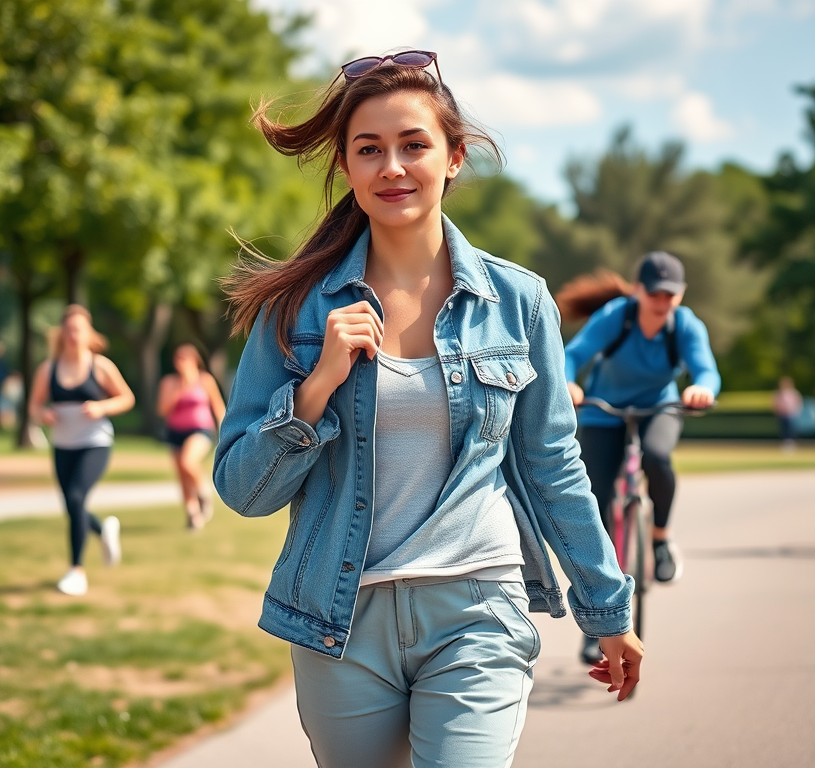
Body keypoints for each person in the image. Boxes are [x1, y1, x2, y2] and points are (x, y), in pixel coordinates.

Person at [214, 52, 642, 768]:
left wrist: (607, 608)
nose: (393, 167)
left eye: (414, 145)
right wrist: (316, 388)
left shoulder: (519, 303)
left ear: (453, 158)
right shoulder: (296, 312)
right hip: (340, 622)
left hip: (477, 608)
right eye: (369, 150)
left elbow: (552, 467)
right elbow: (242, 490)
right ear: (346, 169)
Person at [561, 255, 719, 662]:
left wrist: (701, 387)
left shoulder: (684, 326)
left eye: (671, 294)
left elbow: (706, 370)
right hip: (603, 410)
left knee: (659, 458)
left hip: (658, 409)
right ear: (638, 290)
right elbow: (573, 355)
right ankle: (597, 616)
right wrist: (568, 382)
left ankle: (661, 541)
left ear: (681, 294)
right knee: (593, 501)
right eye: (655, 293)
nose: (662, 301)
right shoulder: (617, 316)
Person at [28, 305, 135, 596]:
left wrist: (102, 406)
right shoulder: (48, 368)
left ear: (88, 333)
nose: (74, 335)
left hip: (95, 442)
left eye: (79, 329)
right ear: (61, 334)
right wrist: (43, 414)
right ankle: (104, 531)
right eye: (69, 330)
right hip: (63, 445)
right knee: (72, 506)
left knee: (76, 497)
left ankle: (76, 571)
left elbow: (126, 398)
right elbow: (34, 405)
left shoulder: (100, 366)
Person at [158, 343, 227, 529]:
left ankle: (203, 492)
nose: (181, 363)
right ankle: (193, 514)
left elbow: (218, 406)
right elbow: (163, 409)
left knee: (187, 462)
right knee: (181, 474)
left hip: (200, 430)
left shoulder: (205, 380)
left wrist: (226, 430)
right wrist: (180, 389)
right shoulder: (170, 382)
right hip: (175, 431)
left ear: (194, 361)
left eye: (184, 359)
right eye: (178, 359)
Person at [772, 375, 803, 450]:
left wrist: (796, 411)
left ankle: (791, 443)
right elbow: (775, 403)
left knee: (791, 429)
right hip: (782, 415)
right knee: (783, 429)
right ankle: (785, 443)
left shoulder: (794, 393)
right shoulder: (779, 393)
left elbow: (798, 403)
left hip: (791, 414)